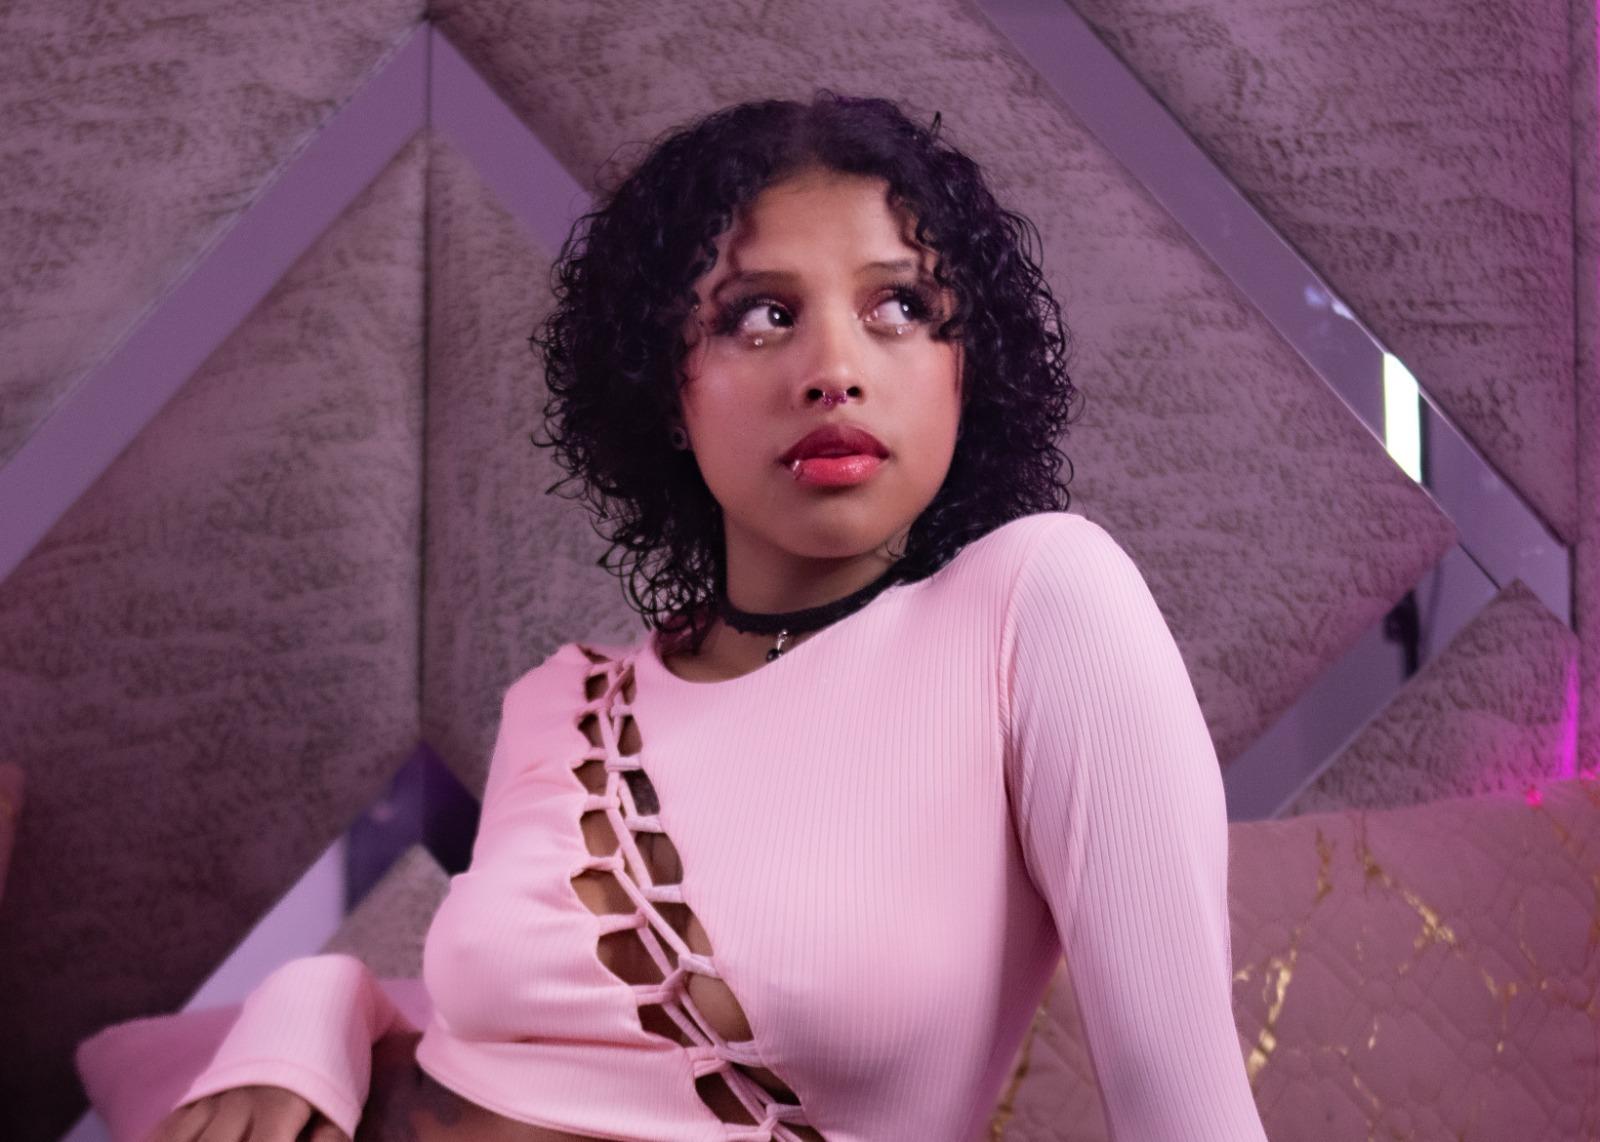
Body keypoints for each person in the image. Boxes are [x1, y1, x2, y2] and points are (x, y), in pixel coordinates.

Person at [146, 92, 1268, 1141]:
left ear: (966, 369)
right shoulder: (564, 699)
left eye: (899, 306)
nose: (833, 369)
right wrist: (312, 1007)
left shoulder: (1037, 605)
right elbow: (495, 1035)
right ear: (667, 387)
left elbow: (1190, 1115)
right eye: (760, 315)